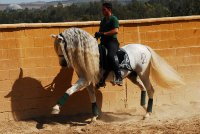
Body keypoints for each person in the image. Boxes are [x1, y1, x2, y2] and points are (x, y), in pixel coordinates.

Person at [95, 2, 122, 86]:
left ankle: (119, 77)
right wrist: (97, 35)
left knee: (110, 55)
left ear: (109, 9)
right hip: (103, 43)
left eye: (104, 9)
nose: (102, 11)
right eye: (102, 9)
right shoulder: (103, 20)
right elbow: (101, 31)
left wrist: (103, 34)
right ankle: (102, 79)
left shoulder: (114, 19)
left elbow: (116, 30)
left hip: (112, 42)